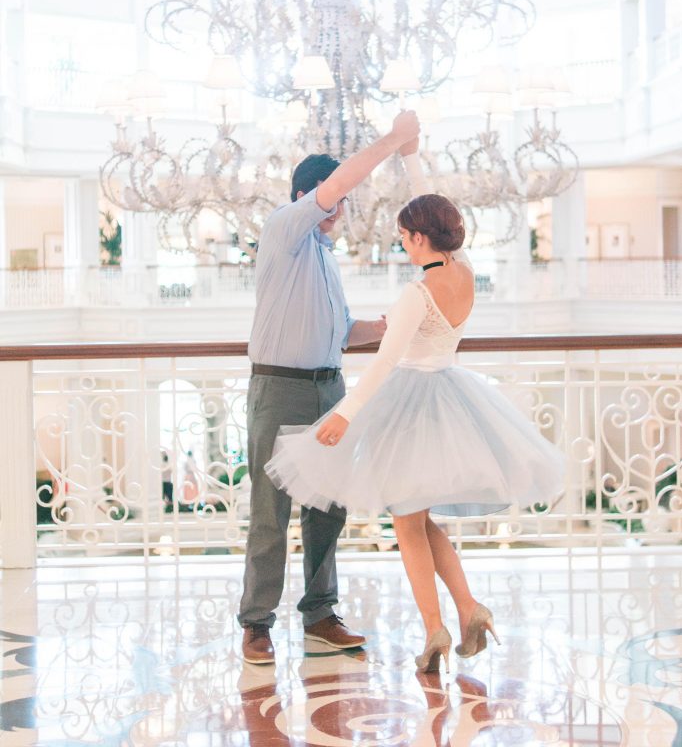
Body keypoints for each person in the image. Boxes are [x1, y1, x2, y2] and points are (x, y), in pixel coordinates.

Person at [266, 136, 565, 673]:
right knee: (424, 522)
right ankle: (470, 607)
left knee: (408, 524)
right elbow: (431, 205)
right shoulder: (465, 271)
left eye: (405, 236)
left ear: (420, 237)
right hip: (451, 398)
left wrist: (343, 414)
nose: (403, 243)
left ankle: (435, 631)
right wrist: (411, 157)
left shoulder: (416, 295)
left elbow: (382, 365)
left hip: (409, 410)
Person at [238, 109, 421, 664]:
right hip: (280, 389)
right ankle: (256, 625)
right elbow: (338, 183)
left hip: (329, 390)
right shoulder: (284, 228)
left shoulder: (324, 259)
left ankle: (320, 615)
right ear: (307, 196)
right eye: (335, 199)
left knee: (328, 507)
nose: (342, 210)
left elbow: (342, 332)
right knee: (272, 511)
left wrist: (391, 328)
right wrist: (394, 140)